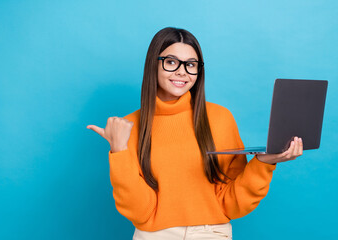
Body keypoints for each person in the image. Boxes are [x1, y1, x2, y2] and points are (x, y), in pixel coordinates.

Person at [87, 27, 303, 240]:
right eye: (171, 62)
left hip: (212, 233)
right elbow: (139, 212)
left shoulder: (220, 118)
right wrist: (119, 150)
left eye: (191, 65)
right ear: (154, 64)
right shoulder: (129, 127)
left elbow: (232, 203)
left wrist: (264, 163)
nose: (182, 72)